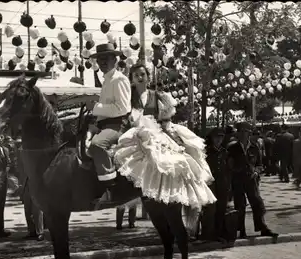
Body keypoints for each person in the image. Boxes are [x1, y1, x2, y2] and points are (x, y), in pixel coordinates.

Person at [112, 63, 216, 211]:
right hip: (134, 134)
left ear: (148, 77)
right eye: (136, 76)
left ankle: (177, 195)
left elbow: (165, 119)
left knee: (176, 161)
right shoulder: (128, 98)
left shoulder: (158, 96)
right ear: (132, 79)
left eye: (143, 74)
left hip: (156, 134)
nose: (140, 78)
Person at [87, 43, 132, 206]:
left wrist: (96, 108)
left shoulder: (119, 79)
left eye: (106, 58)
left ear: (115, 59)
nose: (102, 62)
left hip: (117, 125)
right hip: (105, 125)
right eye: (99, 59)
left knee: (97, 145)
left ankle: (111, 189)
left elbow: (122, 108)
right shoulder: (107, 80)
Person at [227, 122, 278, 239]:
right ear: (238, 134)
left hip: (251, 179)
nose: (245, 134)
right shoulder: (232, 148)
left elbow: (260, 165)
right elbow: (228, 164)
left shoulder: (254, 147)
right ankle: (241, 231)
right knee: (240, 206)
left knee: (258, 203)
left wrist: (256, 172)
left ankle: (262, 228)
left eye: (247, 132)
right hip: (238, 180)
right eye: (242, 132)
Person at [205, 128, 231, 242]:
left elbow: (228, 169)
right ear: (211, 138)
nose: (218, 140)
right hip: (210, 183)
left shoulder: (225, 152)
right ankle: (207, 234)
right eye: (216, 137)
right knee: (210, 209)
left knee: (221, 208)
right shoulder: (206, 152)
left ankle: (218, 233)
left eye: (221, 137)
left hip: (222, 182)